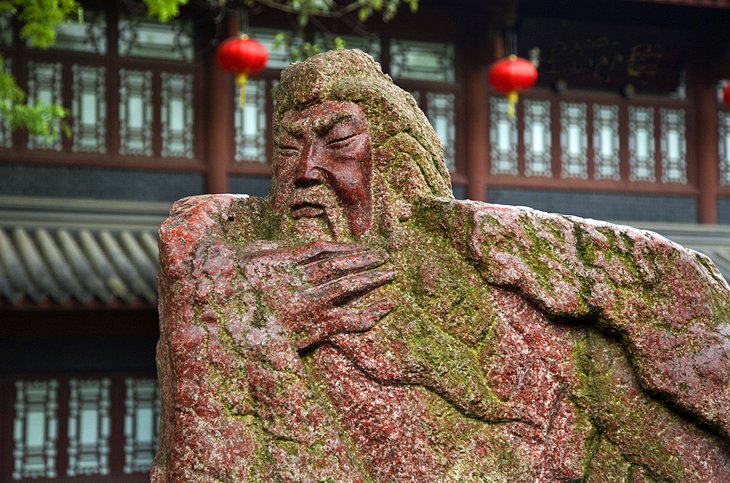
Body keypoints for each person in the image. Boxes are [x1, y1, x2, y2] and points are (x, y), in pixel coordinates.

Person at [153, 50, 730, 481]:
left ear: (397, 166)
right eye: (287, 148)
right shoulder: (223, 273)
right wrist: (244, 331)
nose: (305, 169)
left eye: (338, 142)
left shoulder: (507, 295)